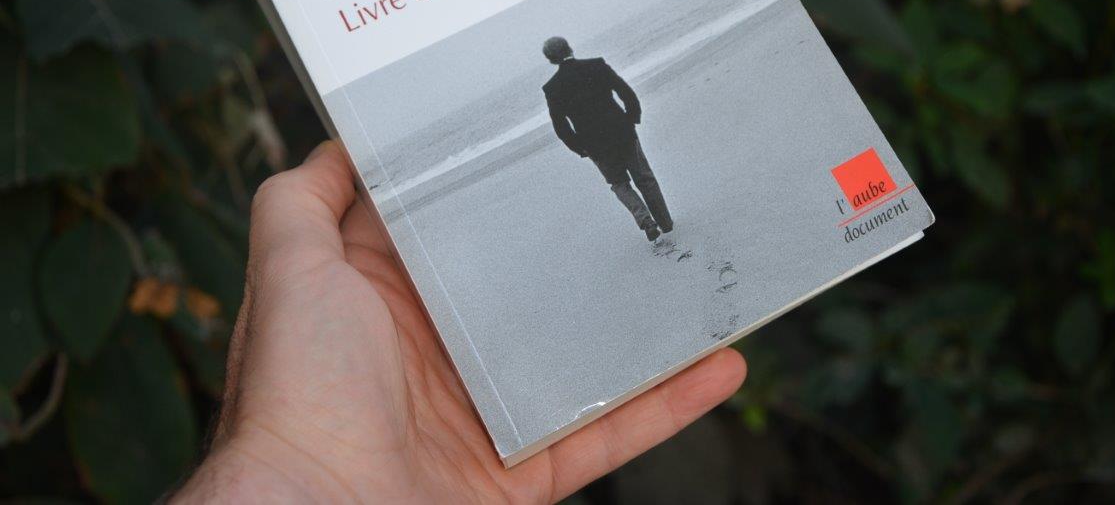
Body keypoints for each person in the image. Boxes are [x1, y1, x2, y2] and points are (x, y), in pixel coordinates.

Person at [175, 142, 745, 502]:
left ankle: (649, 224)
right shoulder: (590, 70)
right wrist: (293, 458)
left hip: (598, 143)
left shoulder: (556, 85)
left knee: (621, 183)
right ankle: (660, 220)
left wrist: (296, 460)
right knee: (640, 171)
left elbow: (565, 127)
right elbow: (618, 102)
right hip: (615, 133)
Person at [540, 36, 675, 241]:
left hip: (594, 144)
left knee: (619, 184)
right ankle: (665, 223)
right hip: (622, 131)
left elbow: (560, 126)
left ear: (550, 59)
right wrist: (632, 118)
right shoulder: (596, 65)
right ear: (569, 48)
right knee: (644, 178)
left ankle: (646, 220)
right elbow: (625, 91)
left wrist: (579, 148)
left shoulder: (552, 88)